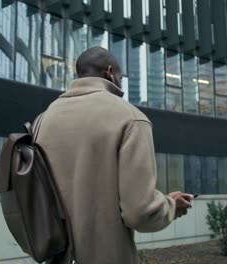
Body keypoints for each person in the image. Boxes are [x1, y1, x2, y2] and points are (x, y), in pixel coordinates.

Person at [36, 47, 194, 264]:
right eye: (121, 77)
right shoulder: (131, 119)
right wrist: (171, 205)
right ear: (110, 72)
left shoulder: (43, 119)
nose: (121, 84)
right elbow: (139, 212)